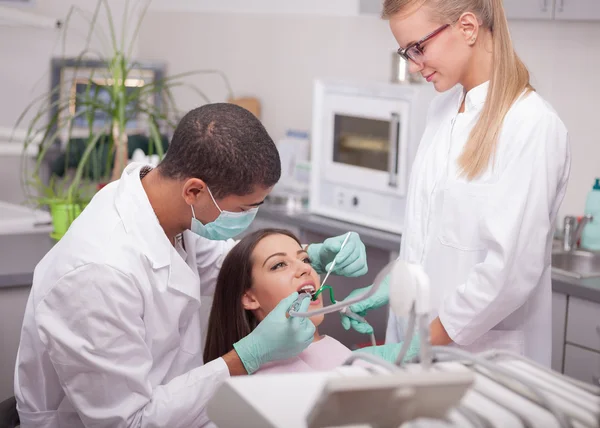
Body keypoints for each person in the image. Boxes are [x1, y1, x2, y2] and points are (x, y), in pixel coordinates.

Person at [14, 103, 370, 428]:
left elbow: (229, 264)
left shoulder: (169, 210)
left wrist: (309, 252)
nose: (250, 217)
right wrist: (248, 355)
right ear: (195, 191)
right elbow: (129, 422)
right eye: (246, 208)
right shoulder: (97, 274)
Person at [339, 0, 570, 367]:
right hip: (422, 350)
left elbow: (509, 273)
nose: (414, 66)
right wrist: (396, 281)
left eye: (419, 48)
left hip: (485, 365)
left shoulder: (530, 124)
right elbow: (429, 233)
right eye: (406, 52)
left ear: (467, 27)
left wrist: (422, 344)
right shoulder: (443, 109)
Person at [203, 228, 421, 373]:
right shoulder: (269, 382)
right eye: (279, 265)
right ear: (249, 298)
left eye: (304, 259)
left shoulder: (333, 351)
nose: (305, 268)